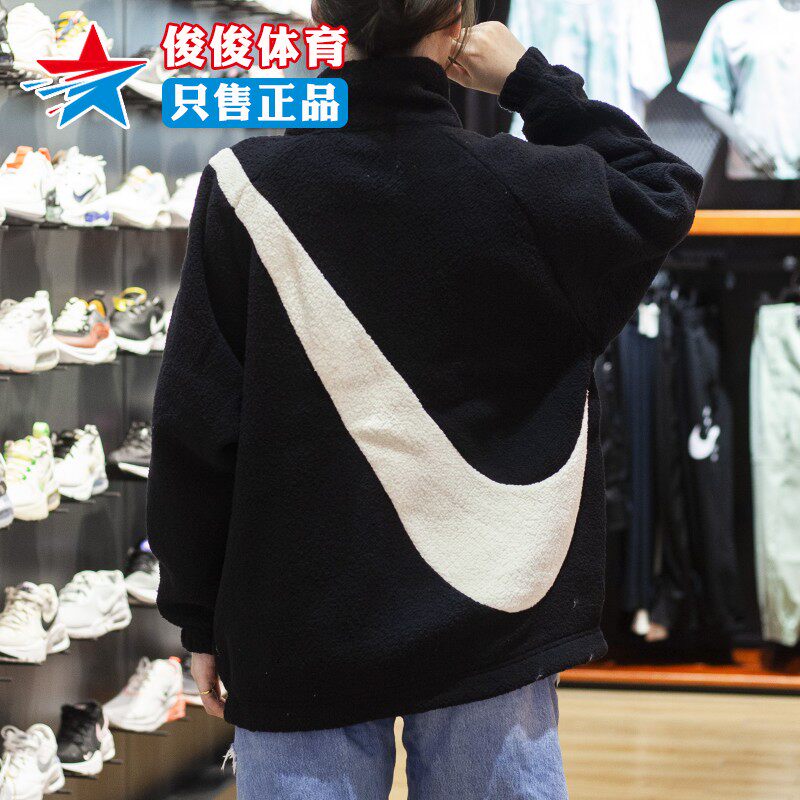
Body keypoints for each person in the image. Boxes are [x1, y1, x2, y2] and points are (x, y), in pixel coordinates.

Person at [147, 0, 702, 795]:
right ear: (459, 26)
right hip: (490, 606)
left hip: (298, 616)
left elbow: (196, 423)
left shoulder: (247, 184)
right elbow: (663, 186)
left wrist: (198, 614)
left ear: (320, 18)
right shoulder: (526, 188)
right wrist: (529, 81)